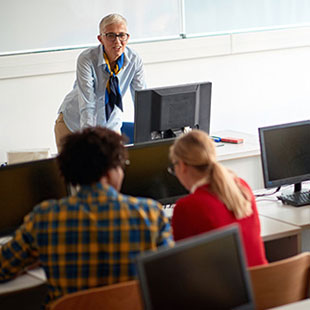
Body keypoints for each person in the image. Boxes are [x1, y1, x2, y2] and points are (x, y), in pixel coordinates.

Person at [0, 127, 173, 307]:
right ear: (109, 172)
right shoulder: (150, 213)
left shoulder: (44, 219)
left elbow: (2, 268)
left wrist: (38, 254)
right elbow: (169, 277)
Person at [169, 130, 267, 267]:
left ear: (183, 166)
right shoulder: (241, 186)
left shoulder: (187, 207)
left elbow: (182, 265)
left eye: (173, 167)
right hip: (263, 283)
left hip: (228, 287)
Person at [54, 13, 146, 151]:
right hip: (74, 124)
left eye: (122, 35)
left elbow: (142, 100)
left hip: (110, 124)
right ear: (100, 38)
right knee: (79, 170)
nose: (118, 41)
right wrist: (89, 141)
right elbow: (87, 104)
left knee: (116, 168)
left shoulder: (134, 60)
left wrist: (150, 131)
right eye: (110, 35)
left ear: (128, 37)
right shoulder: (87, 59)